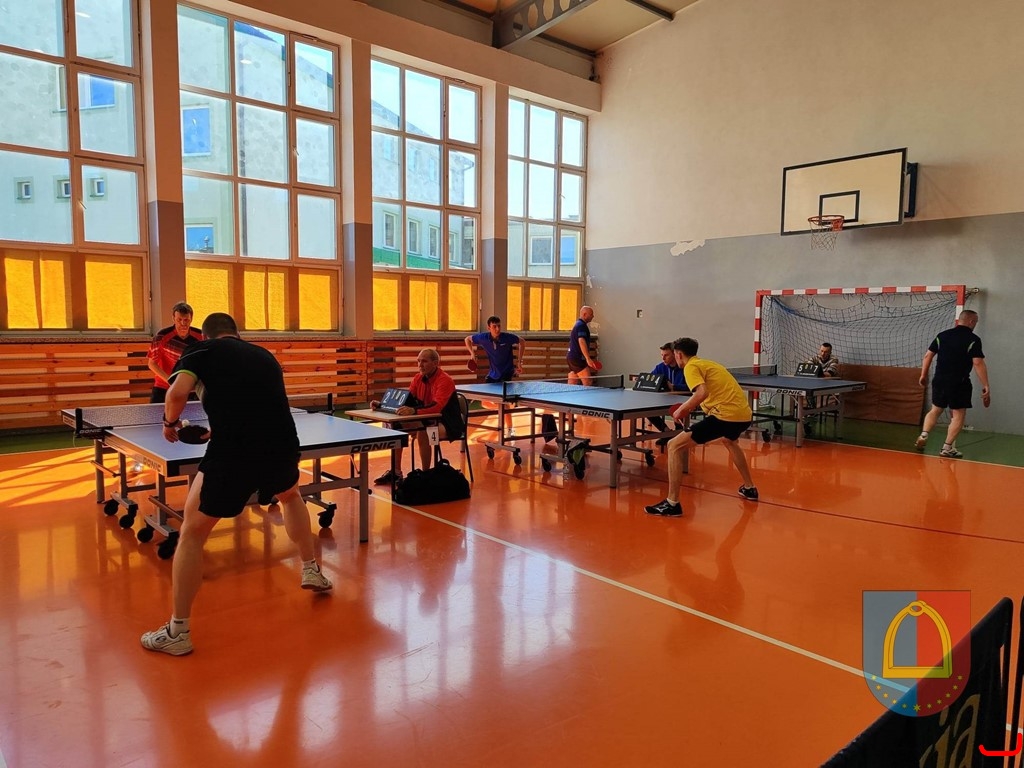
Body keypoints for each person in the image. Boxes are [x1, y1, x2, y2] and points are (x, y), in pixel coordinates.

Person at [140, 312, 332, 656]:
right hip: (281, 445)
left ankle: (178, 631)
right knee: (290, 495)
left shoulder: (199, 351)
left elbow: (176, 393)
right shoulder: (264, 355)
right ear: (236, 333)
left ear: (205, 335)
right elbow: (258, 403)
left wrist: (169, 423)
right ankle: (310, 569)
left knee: (192, 533)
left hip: (234, 453)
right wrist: (217, 428)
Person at [645, 337, 759, 517]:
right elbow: (712, 393)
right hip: (743, 415)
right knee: (729, 441)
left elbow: (702, 392)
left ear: (678, 354)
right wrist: (693, 406)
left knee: (673, 445)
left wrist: (682, 410)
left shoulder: (690, 367)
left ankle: (672, 503)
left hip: (724, 416)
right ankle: (749, 488)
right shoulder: (708, 364)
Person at [373, 348, 464, 485]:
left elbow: (437, 407)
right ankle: (396, 472)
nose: (420, 365)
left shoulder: (445, 380)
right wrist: (381, 405)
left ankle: (425, 475)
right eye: (418, 361)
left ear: (435, 363)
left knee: (424, 432)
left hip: (448, 423)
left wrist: (413, 411)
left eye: (424, 361)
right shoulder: (418, 378)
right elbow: (406, 401)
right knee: (396, 427)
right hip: (426, 419)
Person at [915, 309, 990, 459]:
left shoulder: (942, 335)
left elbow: (928, 355)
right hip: (959, 383)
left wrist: (923, 375)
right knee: (958, 415)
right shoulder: (973, 339)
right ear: (971, 321)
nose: (975, 324)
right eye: (975, 321)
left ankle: (924, 434)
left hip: (939, 380)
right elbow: (978, 362)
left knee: (935, 410)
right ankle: (947, 448)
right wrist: (986, 384)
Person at [465, 316, 525, 439]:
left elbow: (522, 341)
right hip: (493, 374)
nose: (497, 329)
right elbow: (467, 339)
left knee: (503, 402)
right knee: (485, 402)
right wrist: (472, 354)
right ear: (489, 328)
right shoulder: (483, 338)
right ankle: (505, 407)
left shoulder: (507, 337)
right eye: (494, 326)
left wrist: (519, 361)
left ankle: (510, 429)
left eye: (499, 326)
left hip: (506, 373)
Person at [147, 301, 203, 403]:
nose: (183, 323)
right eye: (179, 320)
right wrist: (171, 381)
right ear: (173, 319)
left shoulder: (201, 337)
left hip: (190, 389)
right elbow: (152, 364)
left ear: (191, 319)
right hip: (163, 387)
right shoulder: (161, 337)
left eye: (186, 320)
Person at [648, 341, 689, 441]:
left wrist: (674, 387)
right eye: (662, 355)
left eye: (666, 355)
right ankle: (666, 432)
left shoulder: (686, 368)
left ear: (674, 354)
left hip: (683, 399)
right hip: (664, 400)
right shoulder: (660, 367)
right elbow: (652, 379)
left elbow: (692, 387)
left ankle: (678, 434)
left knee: (678, 408)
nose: (663, 358)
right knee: (647, 410)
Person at [798, 342, 840, 436]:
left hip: (829, 385)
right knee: (807, 387)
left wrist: (815, 372)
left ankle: (812, 412)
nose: (823, 354)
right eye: (821, 351)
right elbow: (808, 368)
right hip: (815, 384)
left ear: (830, 352)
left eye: (826, 352)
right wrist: (814, 371)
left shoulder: (834, 360)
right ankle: (811, 412)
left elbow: (829, 374)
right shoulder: (814, 358)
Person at [567, 305, 598, 385]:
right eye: (591, 314)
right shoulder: (581, 326)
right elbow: (581, 341)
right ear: (584, 314)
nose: (593, 316)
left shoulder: (578, 324)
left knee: (573, 382)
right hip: (577, 358)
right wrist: (588, 358)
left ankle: (568, 393)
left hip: (571, 357)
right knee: (588, 382)